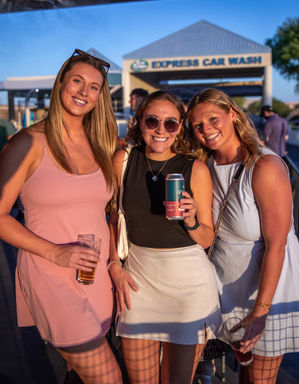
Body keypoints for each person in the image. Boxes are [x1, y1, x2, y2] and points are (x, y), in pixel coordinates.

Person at [0, 49, 122, 384]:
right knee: (107, 377)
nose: (84, 92)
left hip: (94, 275)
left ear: (100, 97)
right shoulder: (27, 143)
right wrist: (56, 252)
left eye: (94, 87)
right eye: (78, 81)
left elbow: (106, 210)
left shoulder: (101, 143)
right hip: (49, 271)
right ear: (61, 84)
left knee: (76, 374)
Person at [108, 90, 221, 384]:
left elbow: (207, 239)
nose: (161, 130)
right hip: (139, 282)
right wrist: (113, 264)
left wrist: (192, 220)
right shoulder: (123, 159)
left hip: (188, 288)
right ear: (139, 121)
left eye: (170, 123)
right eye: (152, 121)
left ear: (180, 126)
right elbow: (110, 216)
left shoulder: (194, 168)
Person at [188, 88, 299, 384]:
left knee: (259, 380)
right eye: (197, 125)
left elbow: (278, 245)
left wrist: (261, 311)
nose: (206, 130)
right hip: (227, 289)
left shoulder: (264, 165)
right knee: (244, 376)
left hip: (265, 292)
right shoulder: (204, 167)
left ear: (233, 115)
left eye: (213, 119)